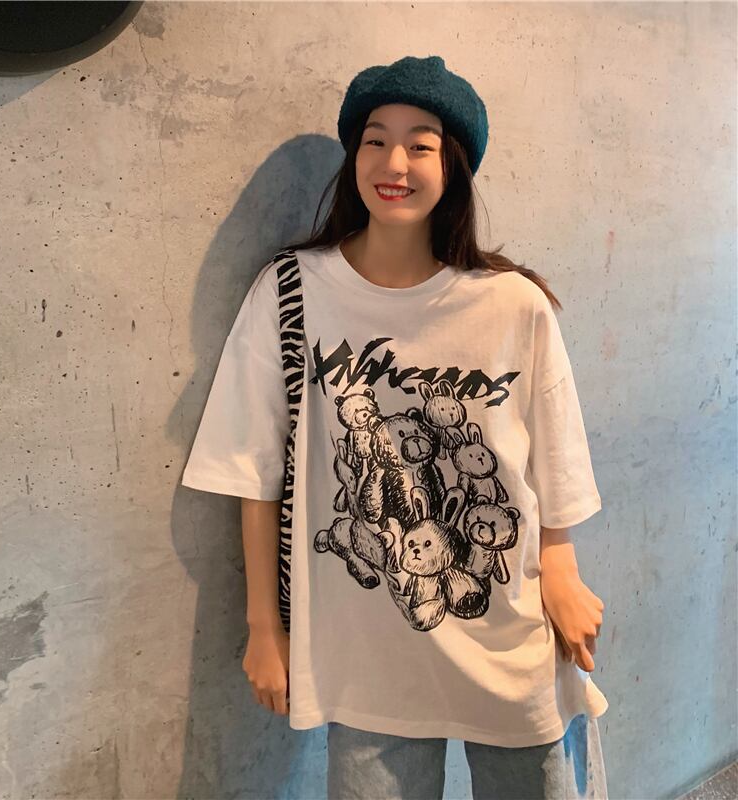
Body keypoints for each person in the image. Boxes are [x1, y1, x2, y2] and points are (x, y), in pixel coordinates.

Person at [181, 55, 609, 799]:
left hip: (505, 629)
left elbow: (556, 454)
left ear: (454, 166)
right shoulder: (293, 291)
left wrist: (563, 571)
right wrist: (264, 628)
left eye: (421, 144)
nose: (394, 163)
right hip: (366, 649)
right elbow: (254, 467)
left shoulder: (512, 304)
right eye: (375, 140)